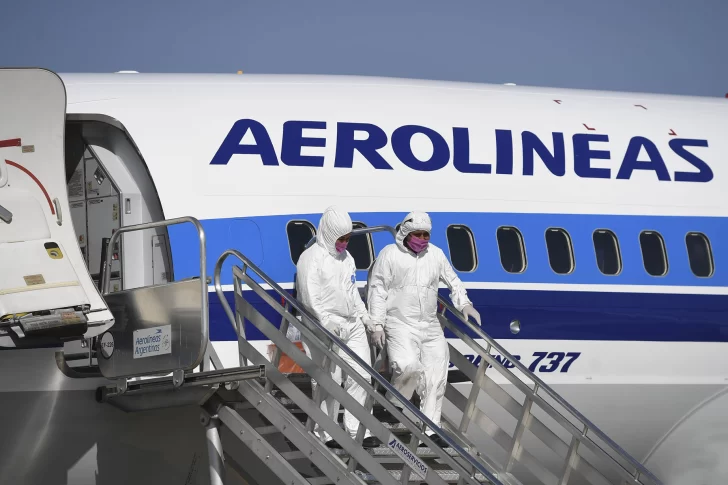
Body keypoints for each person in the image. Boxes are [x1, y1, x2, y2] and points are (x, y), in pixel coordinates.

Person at [367, 211, 481, 447]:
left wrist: (465, 304)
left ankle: (430, 429)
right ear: (406, 234)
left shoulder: (435, 255)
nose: (422, 238)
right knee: (407, 365)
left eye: (426, 234)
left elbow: (453, 281)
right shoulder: (390, 255)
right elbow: (377, 289)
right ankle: (395, 399)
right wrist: (377, 324)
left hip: (429, 324)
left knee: (436, 375)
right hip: (399, 322)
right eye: (418, 234)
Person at [296, 206, 381, 449]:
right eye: (340, 238)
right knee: (328, 380)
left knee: (362, 374)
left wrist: (367, 320)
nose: (344, 243)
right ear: (329, 234)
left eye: (347, 238)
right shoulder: (310, 259)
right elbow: (309, 298)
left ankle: (357, 430)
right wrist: (326, 323)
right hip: (320, 326)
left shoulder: (347, 259)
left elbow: (353, 294)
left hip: (350, 324)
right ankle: (326, 432)